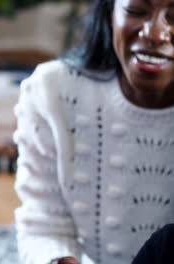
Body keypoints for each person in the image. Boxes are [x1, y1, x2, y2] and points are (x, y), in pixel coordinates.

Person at [13, 0, 174, 263]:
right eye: (135, 11)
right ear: (110, 12)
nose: (154, 34)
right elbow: (44, 225)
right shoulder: (52, 90)